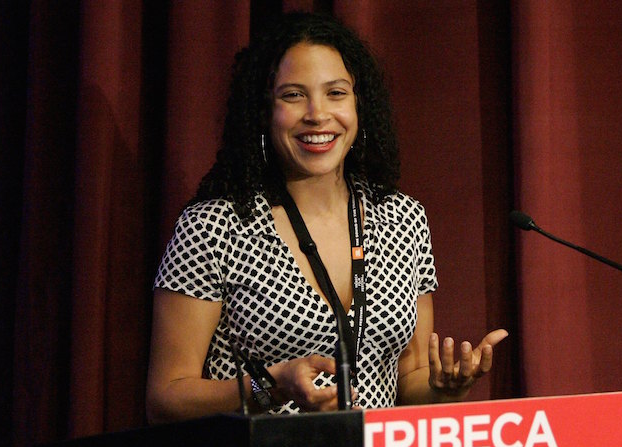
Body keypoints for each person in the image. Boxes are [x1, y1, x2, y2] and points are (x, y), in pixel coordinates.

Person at [146, 12, 507, 423]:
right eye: (293, 95)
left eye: (335, 93)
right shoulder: (213, 226)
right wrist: (270, 387)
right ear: (264, 112)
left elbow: (408, 381)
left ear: (359, 105)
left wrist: (447, 389)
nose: (317, 115)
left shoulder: (404, 218)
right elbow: (165, 398)